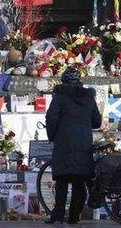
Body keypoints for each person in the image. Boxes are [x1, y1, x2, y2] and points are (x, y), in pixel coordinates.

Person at [45, 67, 102, 224]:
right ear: (79, 82)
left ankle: (57, 215)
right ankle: (74, 216)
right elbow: (97, 122)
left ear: (63, 81)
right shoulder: (89, 98)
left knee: (62, 180)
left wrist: (52, 135)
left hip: (64, 142)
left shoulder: (59, 97)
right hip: (84, 143)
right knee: (79, 180)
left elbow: (51, 118)